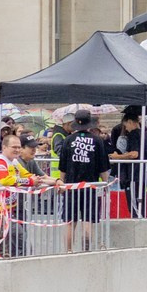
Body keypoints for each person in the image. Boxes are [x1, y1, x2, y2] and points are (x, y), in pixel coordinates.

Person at [52, 106, 112, 254]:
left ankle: (69, 251)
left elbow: (63, 167)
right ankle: (86, 250)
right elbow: (103, 167)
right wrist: (105, 184)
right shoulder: (97, 141)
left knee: (70, 222)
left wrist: (61, 182)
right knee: (88, 220)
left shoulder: (68, 140)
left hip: (71, 186)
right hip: (90, 186)